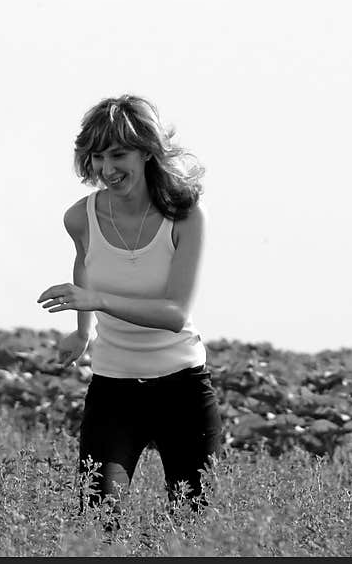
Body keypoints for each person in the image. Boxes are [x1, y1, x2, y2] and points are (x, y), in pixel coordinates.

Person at [36, 94, 223, 516]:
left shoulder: (187, 215)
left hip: (183, 388)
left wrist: (97, 301)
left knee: (193, 524)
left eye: (118, 154)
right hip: (113, 391)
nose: (106, 169)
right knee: (99, 518)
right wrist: (83, 331)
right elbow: (84, 264)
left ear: (147, 152)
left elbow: (174, 313)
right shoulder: (79, 218)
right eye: (97, 156)